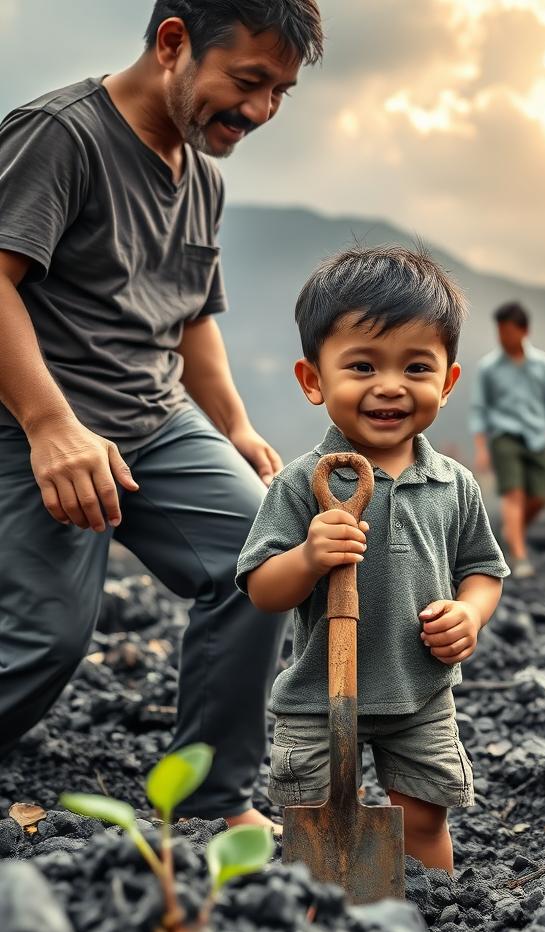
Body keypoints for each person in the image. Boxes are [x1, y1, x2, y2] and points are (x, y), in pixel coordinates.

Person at [0, 0, 324, 827]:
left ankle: (212, 799)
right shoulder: (60, 136)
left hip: (155, 420)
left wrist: (237, 426)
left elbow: (192, 321)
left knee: (264, 563)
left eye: (280, 93)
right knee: (42, 643)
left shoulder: (201, 178)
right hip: (38, 421)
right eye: (249, 81)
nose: (260, 111)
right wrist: (49, 426)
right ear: (174, 42)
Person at [237, 247, 509, 872]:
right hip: (316, 698)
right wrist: (308, 557)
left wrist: (469, 614)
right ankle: (321, 922)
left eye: (416, 367)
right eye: (362, 365)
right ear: (313, 380)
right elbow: (262, 590)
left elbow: (483, 571)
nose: (390, 386)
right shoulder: (304, 482)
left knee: (423, 816)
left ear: (446, 381)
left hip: (418, 693)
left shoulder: (453, 484)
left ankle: (440, 917)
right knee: (317, 824)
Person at [470, 301, 545, 578]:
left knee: (539, 496)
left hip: (538, 437)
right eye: (500, 332)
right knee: (514, 494)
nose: (503, 337)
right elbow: (479, 408)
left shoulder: (542, 364)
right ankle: (519, 554)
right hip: (505, 436)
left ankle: (512, 533)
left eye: (508, 332)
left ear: (524, 331)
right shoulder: (489, 368)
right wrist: (481, 447)